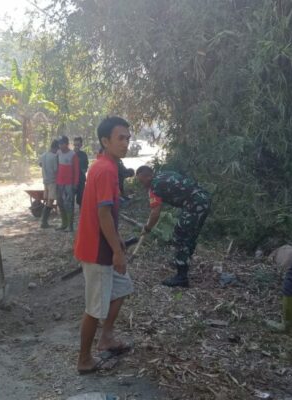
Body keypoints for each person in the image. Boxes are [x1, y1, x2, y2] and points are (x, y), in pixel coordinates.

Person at [75, 116, 134, 374]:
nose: (126, 143)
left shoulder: (106, 165)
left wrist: (117, 239)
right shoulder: (105, 169)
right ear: (105, 140)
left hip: (103, 244)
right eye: (120, 138)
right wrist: (118, 252)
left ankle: (106, 337)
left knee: (123, 287)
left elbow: (107, 213)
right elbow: (103, 214)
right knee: (94, 309)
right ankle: (84, 359)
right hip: (97, 251)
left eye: (128, 138)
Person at [135, 167, 211, 287]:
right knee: (190, 235)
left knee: (180, 236)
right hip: (204, 199)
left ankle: (181, 277)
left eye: (141, 181)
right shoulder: (165, 174)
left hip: (194, 203)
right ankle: (182, 262)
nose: (142, 184)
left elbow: (155, 212)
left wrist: (148, 228)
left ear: (148, 177)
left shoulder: (154, 186)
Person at [56, 135, 80, 231]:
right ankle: (64, 223)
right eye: (59, 144)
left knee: (69, 203)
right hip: (60, 182)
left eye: (62, 144)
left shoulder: (73, 155)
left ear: (66, 144)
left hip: (69, 183)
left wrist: (75, 183)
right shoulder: (58, 153)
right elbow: (57, 166)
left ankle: (70, 226)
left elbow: (76, 171)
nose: (60, 146)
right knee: (60, 202)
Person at [39, 140, 59, 229]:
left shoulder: (43, 155)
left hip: (45, 180)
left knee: (47, 200)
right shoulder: (54, 157)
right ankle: (44, 221)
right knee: (50, 201)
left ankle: (43, 221)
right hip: (52, 181)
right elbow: (56, 170)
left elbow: (40, 165)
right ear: (55, 148)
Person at [74, 136, 89, 206]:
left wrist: (83, 170)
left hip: (81, 179)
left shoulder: (83, 155)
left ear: (81, 145)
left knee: (80, 198)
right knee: (70, 199)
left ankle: (82, 213)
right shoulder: (70, 154)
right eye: (75, 145)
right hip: (71, 180)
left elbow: (86, 166)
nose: (76, 146)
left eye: (78, 145)